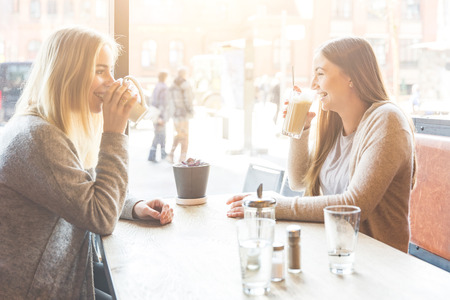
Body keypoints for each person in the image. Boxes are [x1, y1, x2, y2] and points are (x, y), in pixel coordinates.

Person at [0, 27, 173, 299]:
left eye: (111, 71)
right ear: (68, 74)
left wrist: (134, 206)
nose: (112, 83)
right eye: (100, 71)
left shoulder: (50, 127)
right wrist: (114, 133)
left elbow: (84, 187)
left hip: (59, 279)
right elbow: (101, 217)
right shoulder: (38, 137)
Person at [227, 36, 416, 253]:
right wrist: (301, 130)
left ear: (351, 77)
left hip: (377, 262)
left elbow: (354, 205)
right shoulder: (335, 124)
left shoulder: (387, 120)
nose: (314, 85)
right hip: (334, 249)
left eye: (320, 73)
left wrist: (273, 206)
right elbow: (299, 182)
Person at [166, 67, 194, 163]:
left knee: (178, 134)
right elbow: (188, 100)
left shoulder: (172, 85)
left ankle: (171, 154)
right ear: (185, 74)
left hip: (176, 115)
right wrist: (191, 111)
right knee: (185, 136)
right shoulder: (186, 85)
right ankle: (182, 158)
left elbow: (169, 101)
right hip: (184, 114)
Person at [148, 70, 169, 162]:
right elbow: (162, 103)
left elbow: (152, 101)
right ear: (165, 78)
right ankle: (153, 155)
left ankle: (162, 154)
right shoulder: (164, 88)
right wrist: (161, 117)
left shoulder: (156, 87)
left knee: (159, 134)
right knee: (159, 134)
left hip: (155, 113)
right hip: (160, 114)